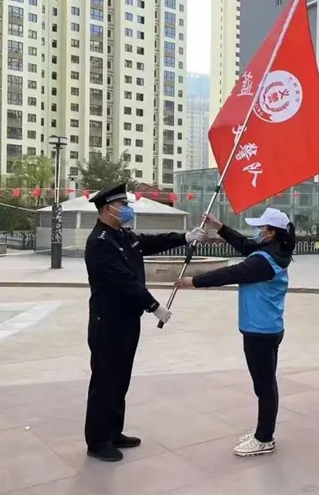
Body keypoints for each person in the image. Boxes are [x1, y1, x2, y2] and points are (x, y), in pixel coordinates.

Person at [84, 183, 210, 462]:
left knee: (121, 378)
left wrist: (185, 237)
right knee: (105, 380)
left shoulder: (122, 234)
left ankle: (113, 431)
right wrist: (153, 306)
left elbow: (150, 242)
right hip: (109, 322)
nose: (127, 210)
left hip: (127, 319)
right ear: (108, 208)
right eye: (122, 206)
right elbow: (123, 282)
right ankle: (98, 441)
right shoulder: (100, 242)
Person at [174, 208, 295, 457]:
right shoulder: (274, 251)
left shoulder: (263, 261)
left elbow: (231, 273)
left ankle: (264, 438)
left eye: (261, 228)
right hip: (268, 326)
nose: (257, 231)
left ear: (272, 233)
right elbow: (245, 245)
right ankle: (263, 432)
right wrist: (219, 226)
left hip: (259, 331)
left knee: (264, 386)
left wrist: (194, 281)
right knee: (266, 383)